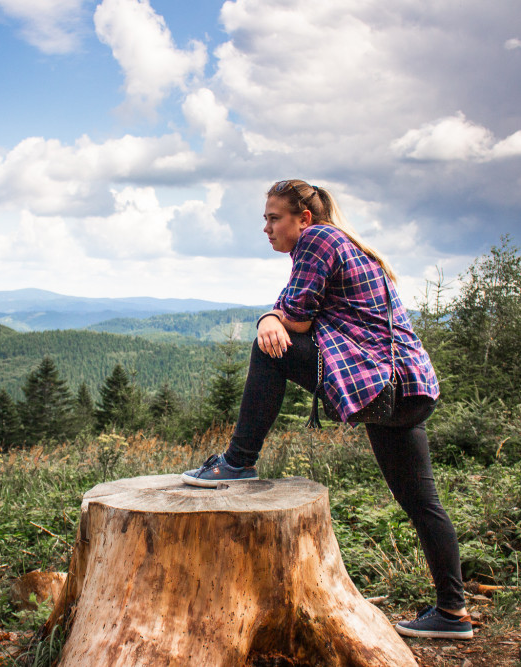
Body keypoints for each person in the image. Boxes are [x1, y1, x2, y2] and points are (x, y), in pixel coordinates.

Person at [181, 179, 472, 640]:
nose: (266, 227)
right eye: (265, 218)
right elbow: (303, 311)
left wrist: (268, 319)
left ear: (304, 219)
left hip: (379, 384)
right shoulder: (346, 243)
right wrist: (276, 315)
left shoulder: (318, 240)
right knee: (424, 505)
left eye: (274, 217)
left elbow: (296, 317)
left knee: (268, 348)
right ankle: (452, 613)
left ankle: (237, 462)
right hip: (408, 390)